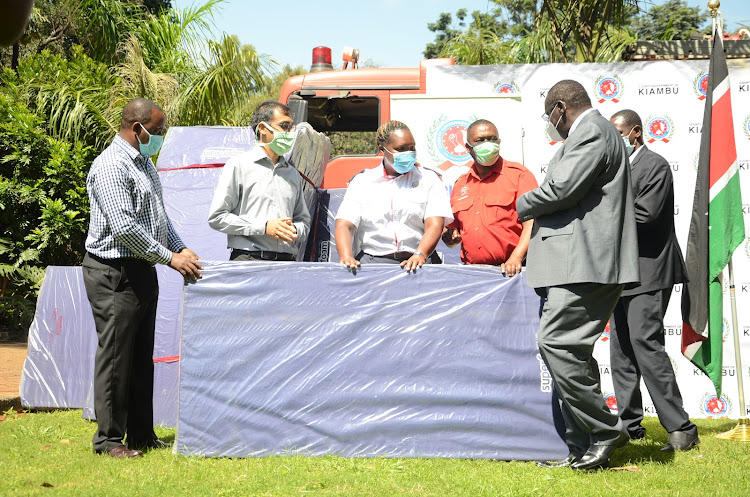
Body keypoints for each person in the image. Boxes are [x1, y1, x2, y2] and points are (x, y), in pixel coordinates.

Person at [516, 80, 640, 470]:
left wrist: (517, 202)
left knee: (554, 343)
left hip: (585, 262)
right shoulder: (595, 133)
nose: (549, 123)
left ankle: (605, 429)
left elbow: (560, 189)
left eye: (548, 115)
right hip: (575, 262)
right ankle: (580, 446)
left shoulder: (591, 131)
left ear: (559, 108)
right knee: (572, 352)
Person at [83, 98, 203, 458]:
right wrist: (170, 259)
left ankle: (140, 434)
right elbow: (124, 228)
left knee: (139, 358)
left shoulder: (144, 165)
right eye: (158, 130)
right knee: (117, 356)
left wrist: (180, 248)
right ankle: (107, 441)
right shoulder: (110, 166)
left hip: (141, 271)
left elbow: (158, 219)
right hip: (113, 272)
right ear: (138, 129)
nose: (161, 137)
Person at [608, 109, 699, 451]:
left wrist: (604, 207)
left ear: (635, 132)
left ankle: (682, 428)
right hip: (618, 275)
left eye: (618, 132)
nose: (614, 138)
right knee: (621, 353)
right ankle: (629, 426)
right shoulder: (613, 170)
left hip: (650, 270)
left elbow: (645, 215)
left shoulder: (654, 165)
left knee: (646, 345)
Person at [335, 120, 453, 271]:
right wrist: (346, 256)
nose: (408, 153)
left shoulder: (428, 179)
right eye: (401, 149)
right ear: (382, 149)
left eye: (412, 148)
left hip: (420, 264)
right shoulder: (362, 182)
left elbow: (435, 224)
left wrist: (420, 254)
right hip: (374, 265)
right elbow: (345, 225)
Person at [208, 100, 311, 261]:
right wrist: (264, 227)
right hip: (249, 262)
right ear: (263, 128)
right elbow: (217, 217)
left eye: (292, 127)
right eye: (284, 126)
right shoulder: (239, 166)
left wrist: (294, 229)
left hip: (286, 264)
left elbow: (303, 221)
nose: (291, 132)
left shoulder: (292, 173)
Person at [441, 119, 537, 275]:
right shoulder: (461, 184)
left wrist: (516, 258)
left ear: (499, 141)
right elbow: (454, 231)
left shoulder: (519, 175)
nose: (488, 144)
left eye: (492, 139)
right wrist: (450, 238)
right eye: (480, 140)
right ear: (468, 148)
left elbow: (532, 223)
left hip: (513, 271)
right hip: (472, 273)